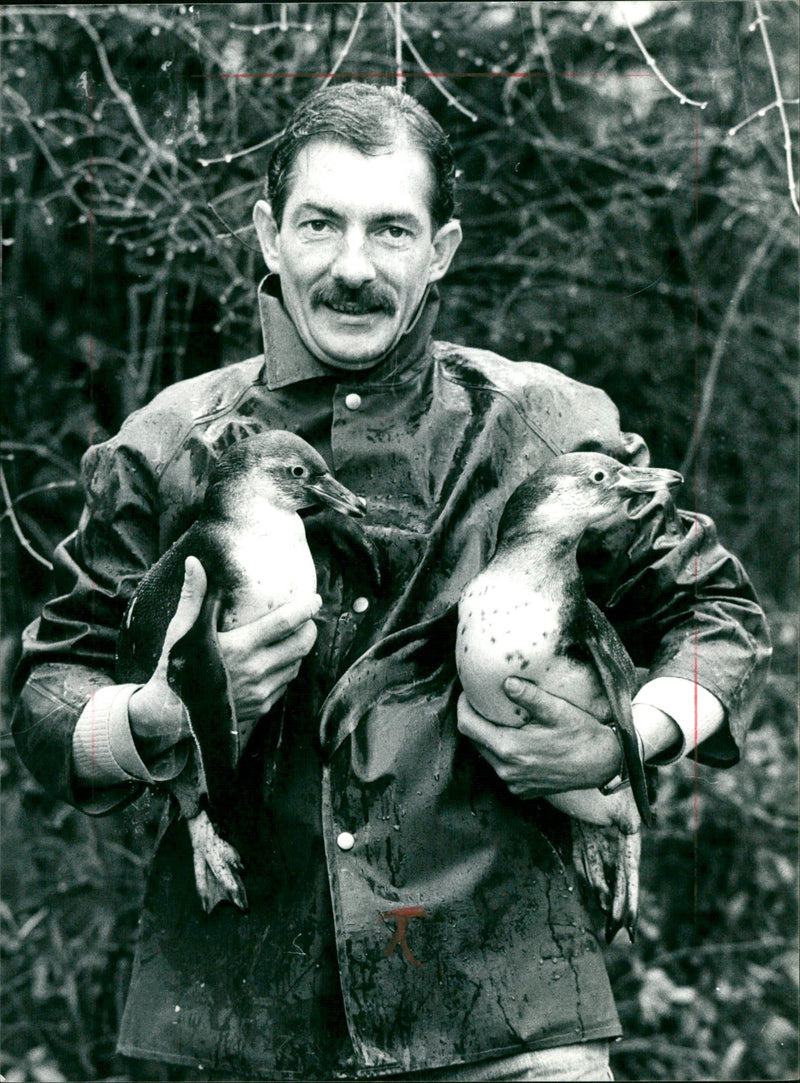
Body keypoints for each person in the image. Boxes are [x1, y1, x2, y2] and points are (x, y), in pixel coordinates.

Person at [12, 82, 770, 1082]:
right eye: (320, 224)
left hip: (511, 1030)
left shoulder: (545, 425)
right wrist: (148, 719)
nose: (352, 267)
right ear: (266, 235)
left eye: (391, 230)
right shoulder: (163, 446)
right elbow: (47, 692)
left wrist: (632, 732)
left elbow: (713, 613)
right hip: (241, 1034)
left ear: (441, 250)